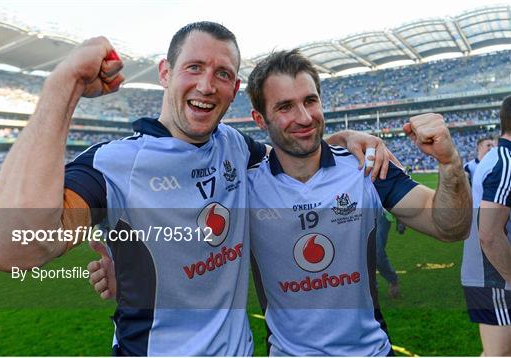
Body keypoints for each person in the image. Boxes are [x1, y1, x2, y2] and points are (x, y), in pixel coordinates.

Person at [0, 22, 390, 356]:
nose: (207, 85)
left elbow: (296, 149)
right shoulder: (112, 165)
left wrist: (347, 137)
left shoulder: (235, 147)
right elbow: (14, 248)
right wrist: (64, 84)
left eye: (223, 74)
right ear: (165, 72)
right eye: (194, 67)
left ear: (233, 90)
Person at [91, 49, 472, 356]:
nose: (304, 117)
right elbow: (184, 224)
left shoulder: (365, 168)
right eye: (285, 107)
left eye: (310, 101)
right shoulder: (242, 183)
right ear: (260, 119)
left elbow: (449, 226)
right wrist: (122, 264)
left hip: (370, 351)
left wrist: (449, 163)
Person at [461, 96, 511, 356]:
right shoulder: (505, 162)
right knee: (500, 353)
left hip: (494, 275)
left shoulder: (499, 158)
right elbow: (490, 235)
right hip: (494, 278)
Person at [376, 211, 400, 299]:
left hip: (382, 215)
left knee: (377, 252)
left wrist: (401, 220)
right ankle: (371, 286)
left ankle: (393, 280)